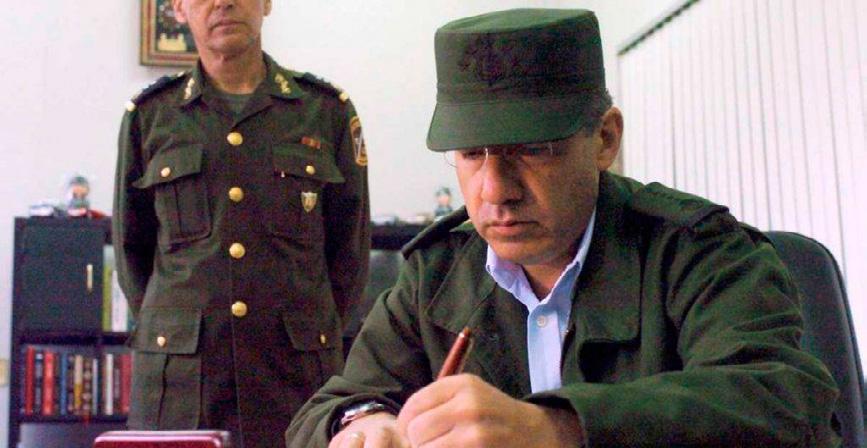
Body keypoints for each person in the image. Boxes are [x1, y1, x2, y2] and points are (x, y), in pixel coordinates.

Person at [285, 8, 839, 447]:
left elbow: (786, 403)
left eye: (532, 149)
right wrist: (362, 422)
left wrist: (558, 428)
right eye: (472, 154)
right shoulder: (438, 273)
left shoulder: (699, 251)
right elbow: (329, 406)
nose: (495, 190)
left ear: (604, 139)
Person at [112, 0, 370, 446]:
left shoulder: (324, 111)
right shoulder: (150, 116)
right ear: (178, 8)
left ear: (267, 3)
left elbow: (350, 252)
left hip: (295, 378)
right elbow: (131, 252)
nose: (223, 2)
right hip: (181, 383)